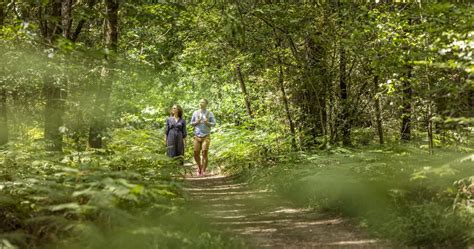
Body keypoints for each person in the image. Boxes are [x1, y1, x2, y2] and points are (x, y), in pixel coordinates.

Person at [190, 99, 216, 176]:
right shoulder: (195, 113)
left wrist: (208, 123)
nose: (201, 103)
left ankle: (203, 170)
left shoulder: (210, 113)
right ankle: (199, 167)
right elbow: (191, 123)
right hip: (197, 136)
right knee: (195, 153)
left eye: (203, 102)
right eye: (200, 102)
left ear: (206, 104)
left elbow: (214, 123)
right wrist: (196, 122)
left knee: (204, 153)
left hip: (206, 136)